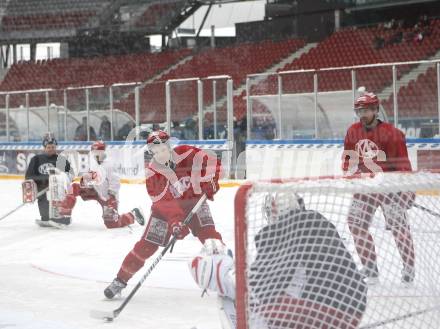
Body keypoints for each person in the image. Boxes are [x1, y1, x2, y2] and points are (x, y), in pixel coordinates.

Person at [189, 193, 368, 329]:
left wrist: (221, 271)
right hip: (355, 308)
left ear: (273, 211)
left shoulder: (281, 232)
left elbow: (259, 285)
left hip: (323, 311)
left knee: (253, 306)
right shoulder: (319, 222)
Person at [104, 130, 224, 299]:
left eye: (163, 149)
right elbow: (163, 202)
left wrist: (211, 182)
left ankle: (229, 277)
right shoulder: (152, 173)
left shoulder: (187, 153)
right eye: (156, 151)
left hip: (194, 204)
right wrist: (176, 222)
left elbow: (213, 163)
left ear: (169, 147)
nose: (160, 154)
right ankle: (120, 279)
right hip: (164, 213)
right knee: (146, 246)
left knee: (211, 238)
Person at [342, 91, 416, 283]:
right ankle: (370, 266)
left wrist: (407, 188)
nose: (362, 114)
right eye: (359, 111)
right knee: (355, 223)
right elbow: (349, 160)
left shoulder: (392, 133)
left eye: (366, 110)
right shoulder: (352, 131)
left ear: (375, 109)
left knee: (399, 228)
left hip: (389, 189)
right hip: (365, 188)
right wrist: (352, 175)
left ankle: (408, 267)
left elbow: (403, 164)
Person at [55, 141, 145, 229]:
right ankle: (64, 214)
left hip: (108, 196)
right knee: (74, 187)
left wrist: (111, 196)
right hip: (94, 191)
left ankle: (133, 214)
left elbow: (115, 181)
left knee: (112, 224)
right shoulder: (93, 162)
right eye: (94, 152)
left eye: (98, 152)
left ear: (103, 151)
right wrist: (86, 182)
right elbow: (91, 176)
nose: (96, 154)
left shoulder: (110, 164)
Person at [25, 133, 73, 227]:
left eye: (53, 147)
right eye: (49, 147)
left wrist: (57, 180)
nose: (51, 149)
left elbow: (69, 176)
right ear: (44, 148)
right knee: (46, 217)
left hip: (58, 190)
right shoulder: (36, 159)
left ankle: (61, 216)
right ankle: (50, 218)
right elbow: (28, 176)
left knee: (57, 213)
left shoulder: (62, 160)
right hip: (42, 190)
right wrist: (47, 179)